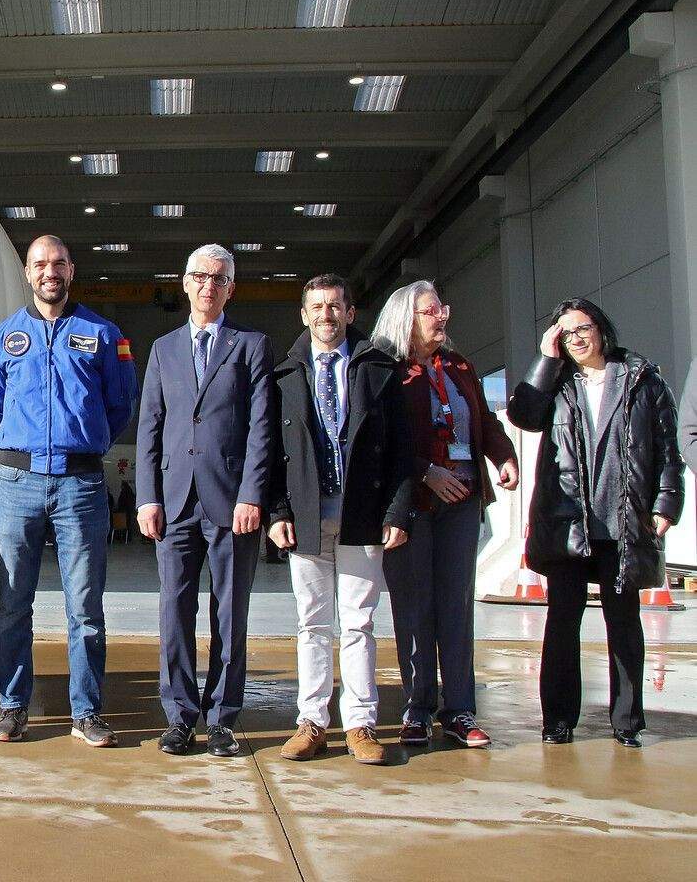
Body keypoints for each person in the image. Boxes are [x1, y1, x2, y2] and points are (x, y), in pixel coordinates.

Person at [0, 235, 137, 747]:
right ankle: (12, 706)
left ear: (72, 271)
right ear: (28, 273)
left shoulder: (104, 334)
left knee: (85, 606)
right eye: (41, 264)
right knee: (12, 603)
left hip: (82, 484)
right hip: (17, 484)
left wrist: (82, 444)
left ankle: (87, 711)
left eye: (59, 264)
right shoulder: (1, 338)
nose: (50, 272)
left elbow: (120, 405)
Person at [508, 298, 684, 748]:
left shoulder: (643, 380)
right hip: (568, 521)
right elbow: (523, 415)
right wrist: (546, 358)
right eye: (566, 333)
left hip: (622, 520)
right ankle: (558, 719)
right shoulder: (558, 382)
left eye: (582, 329)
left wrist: (665, 503)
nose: (577, 339)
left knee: (623, 623)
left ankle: (627, 722)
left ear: (601, 329)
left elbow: (666, 446)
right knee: (562, 621)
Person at [266, 274, 413, 765]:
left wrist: (396, 510)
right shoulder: (284, 373)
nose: (325, 315)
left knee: (358, 623)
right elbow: (269, 450)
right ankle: (311, 722)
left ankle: (361, 726)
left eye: (335, 307)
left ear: (350, 314)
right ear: (304, 316)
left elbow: (401, 448)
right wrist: (277, 511)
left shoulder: (379, 369)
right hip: (306, 517)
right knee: (311, 624)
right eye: (317, 307)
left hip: (362, 515)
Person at [135, 244, 275, 758]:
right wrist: (147, 496)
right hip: (173, 504)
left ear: (231, 288)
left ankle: (222, 718)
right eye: (200, 276)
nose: (208, 286)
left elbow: (262, 428)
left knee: (230, 613)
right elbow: (149, 426)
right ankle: (179, 715)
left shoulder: (251, 346)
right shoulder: (164, 349)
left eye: (219, 279)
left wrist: (252, 494)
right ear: (185, 282)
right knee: (174, 611)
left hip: (231, 503)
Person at [371, 280, 518, 748]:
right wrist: (424, 472)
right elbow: (380, 441)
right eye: (431, 311)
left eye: (442, 309)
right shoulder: (387, 371)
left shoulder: (458, 367)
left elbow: (483, 421)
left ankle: (460, 709)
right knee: (414, 609)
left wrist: (503, 454)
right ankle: (417, 709)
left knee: (455, 606)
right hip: (411, 504)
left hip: (461, 501)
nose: (441, 318)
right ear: (405, 318)